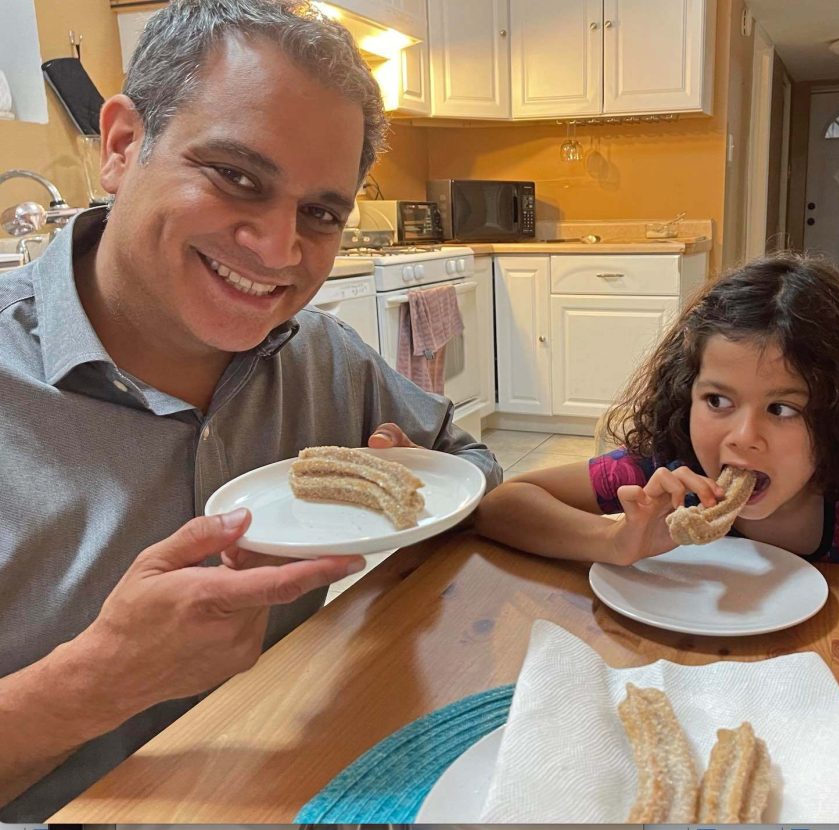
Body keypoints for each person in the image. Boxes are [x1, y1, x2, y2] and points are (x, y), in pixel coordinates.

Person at [0, 0, 499, 820]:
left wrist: (404, 493)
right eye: (237, 177)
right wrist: (95, 682)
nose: (278, 250)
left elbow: (467, 468)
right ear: (122, 145)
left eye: (321, 213)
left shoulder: (320, 356)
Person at [475, 254, 839, 628]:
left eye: (783, 409)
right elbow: (501, 506)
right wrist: (615, 542)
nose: (744, 439)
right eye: (718, 401)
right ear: (688, 393)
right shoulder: (669, 477)